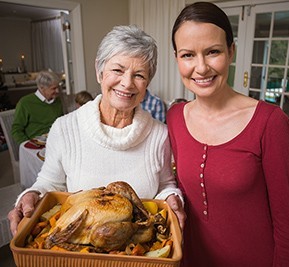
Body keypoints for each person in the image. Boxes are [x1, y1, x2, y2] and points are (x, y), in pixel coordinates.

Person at [8, 25, 186, 236]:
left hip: (139, 251)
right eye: (118, 70)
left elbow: (165, 185)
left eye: (139, 75)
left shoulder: (159, 134)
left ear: (147, 83)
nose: (127, 84)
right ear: (99, 71)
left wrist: (172, 198)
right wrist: (31, 195)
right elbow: (49, 183)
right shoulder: (65, 129)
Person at [166, 2, 289, 266]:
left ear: (231, 51)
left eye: (213, 51)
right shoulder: (174, 117)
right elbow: (181, 189)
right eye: (188, 55)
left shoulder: (269, 122)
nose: (202, 67)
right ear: (177, 58)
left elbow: (288, 226)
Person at [11, 70, 63, 144]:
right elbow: (16, 130)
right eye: (54, 88)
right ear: (42, 88)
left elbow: (61, 122)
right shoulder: (26, 103)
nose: (57, 91)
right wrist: (27, 145)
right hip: (37, 145)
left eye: (58, 87)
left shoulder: (57, 100)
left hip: (57, 141)